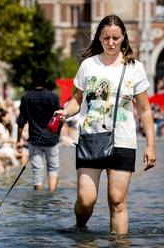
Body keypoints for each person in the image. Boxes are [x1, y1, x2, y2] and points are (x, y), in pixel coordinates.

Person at [56, 15, 157, 234]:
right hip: (90, 138)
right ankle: (80, 227)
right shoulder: (88, 65)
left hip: (123, 141)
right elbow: (77, 99)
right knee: (86, 199)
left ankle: (119, 243)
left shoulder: (134, 67)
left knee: (117, 201)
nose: (111, 42)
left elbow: (145, 109)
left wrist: (150, 145)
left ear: (123, 38)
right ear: (99, 38)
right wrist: (65, 111)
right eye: (106, 38)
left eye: (115, 38)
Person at [16, 67, 60, 191]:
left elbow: (21, 122)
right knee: (53, 168)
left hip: (34, 140)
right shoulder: (53, 97)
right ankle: (51, 195)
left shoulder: (26, 98)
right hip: (52, 139)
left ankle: (38, 200)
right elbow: (59, 119)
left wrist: (18, 141)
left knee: (37, 171)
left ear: (32, 80)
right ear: (46, 80)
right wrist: (57, 134)